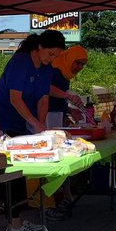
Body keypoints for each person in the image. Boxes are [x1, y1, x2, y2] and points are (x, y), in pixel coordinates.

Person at [0, 29, 66, 231]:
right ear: (40, 47)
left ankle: (17, 220)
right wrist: (33, 122)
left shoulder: (46, 68)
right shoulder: (20, 62)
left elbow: (44, 98)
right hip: (8, 121)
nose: (52, 59)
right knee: (15, 172)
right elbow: (15, 98)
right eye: (51, 54)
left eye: (56, 56)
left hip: (26, 123)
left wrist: (39, 126)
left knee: (23, 172)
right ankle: (14, 223)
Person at [44, 45, 87, 220]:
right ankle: (56, 199)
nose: (79, 67)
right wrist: (69, 98)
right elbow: (47, 90)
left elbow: (58, 99)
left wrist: (69, 110)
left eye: (82, 65)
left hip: (56, 117)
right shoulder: (55, 70)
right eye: (77, 62)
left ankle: (64, 196)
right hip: (45, 119)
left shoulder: (65, 73)